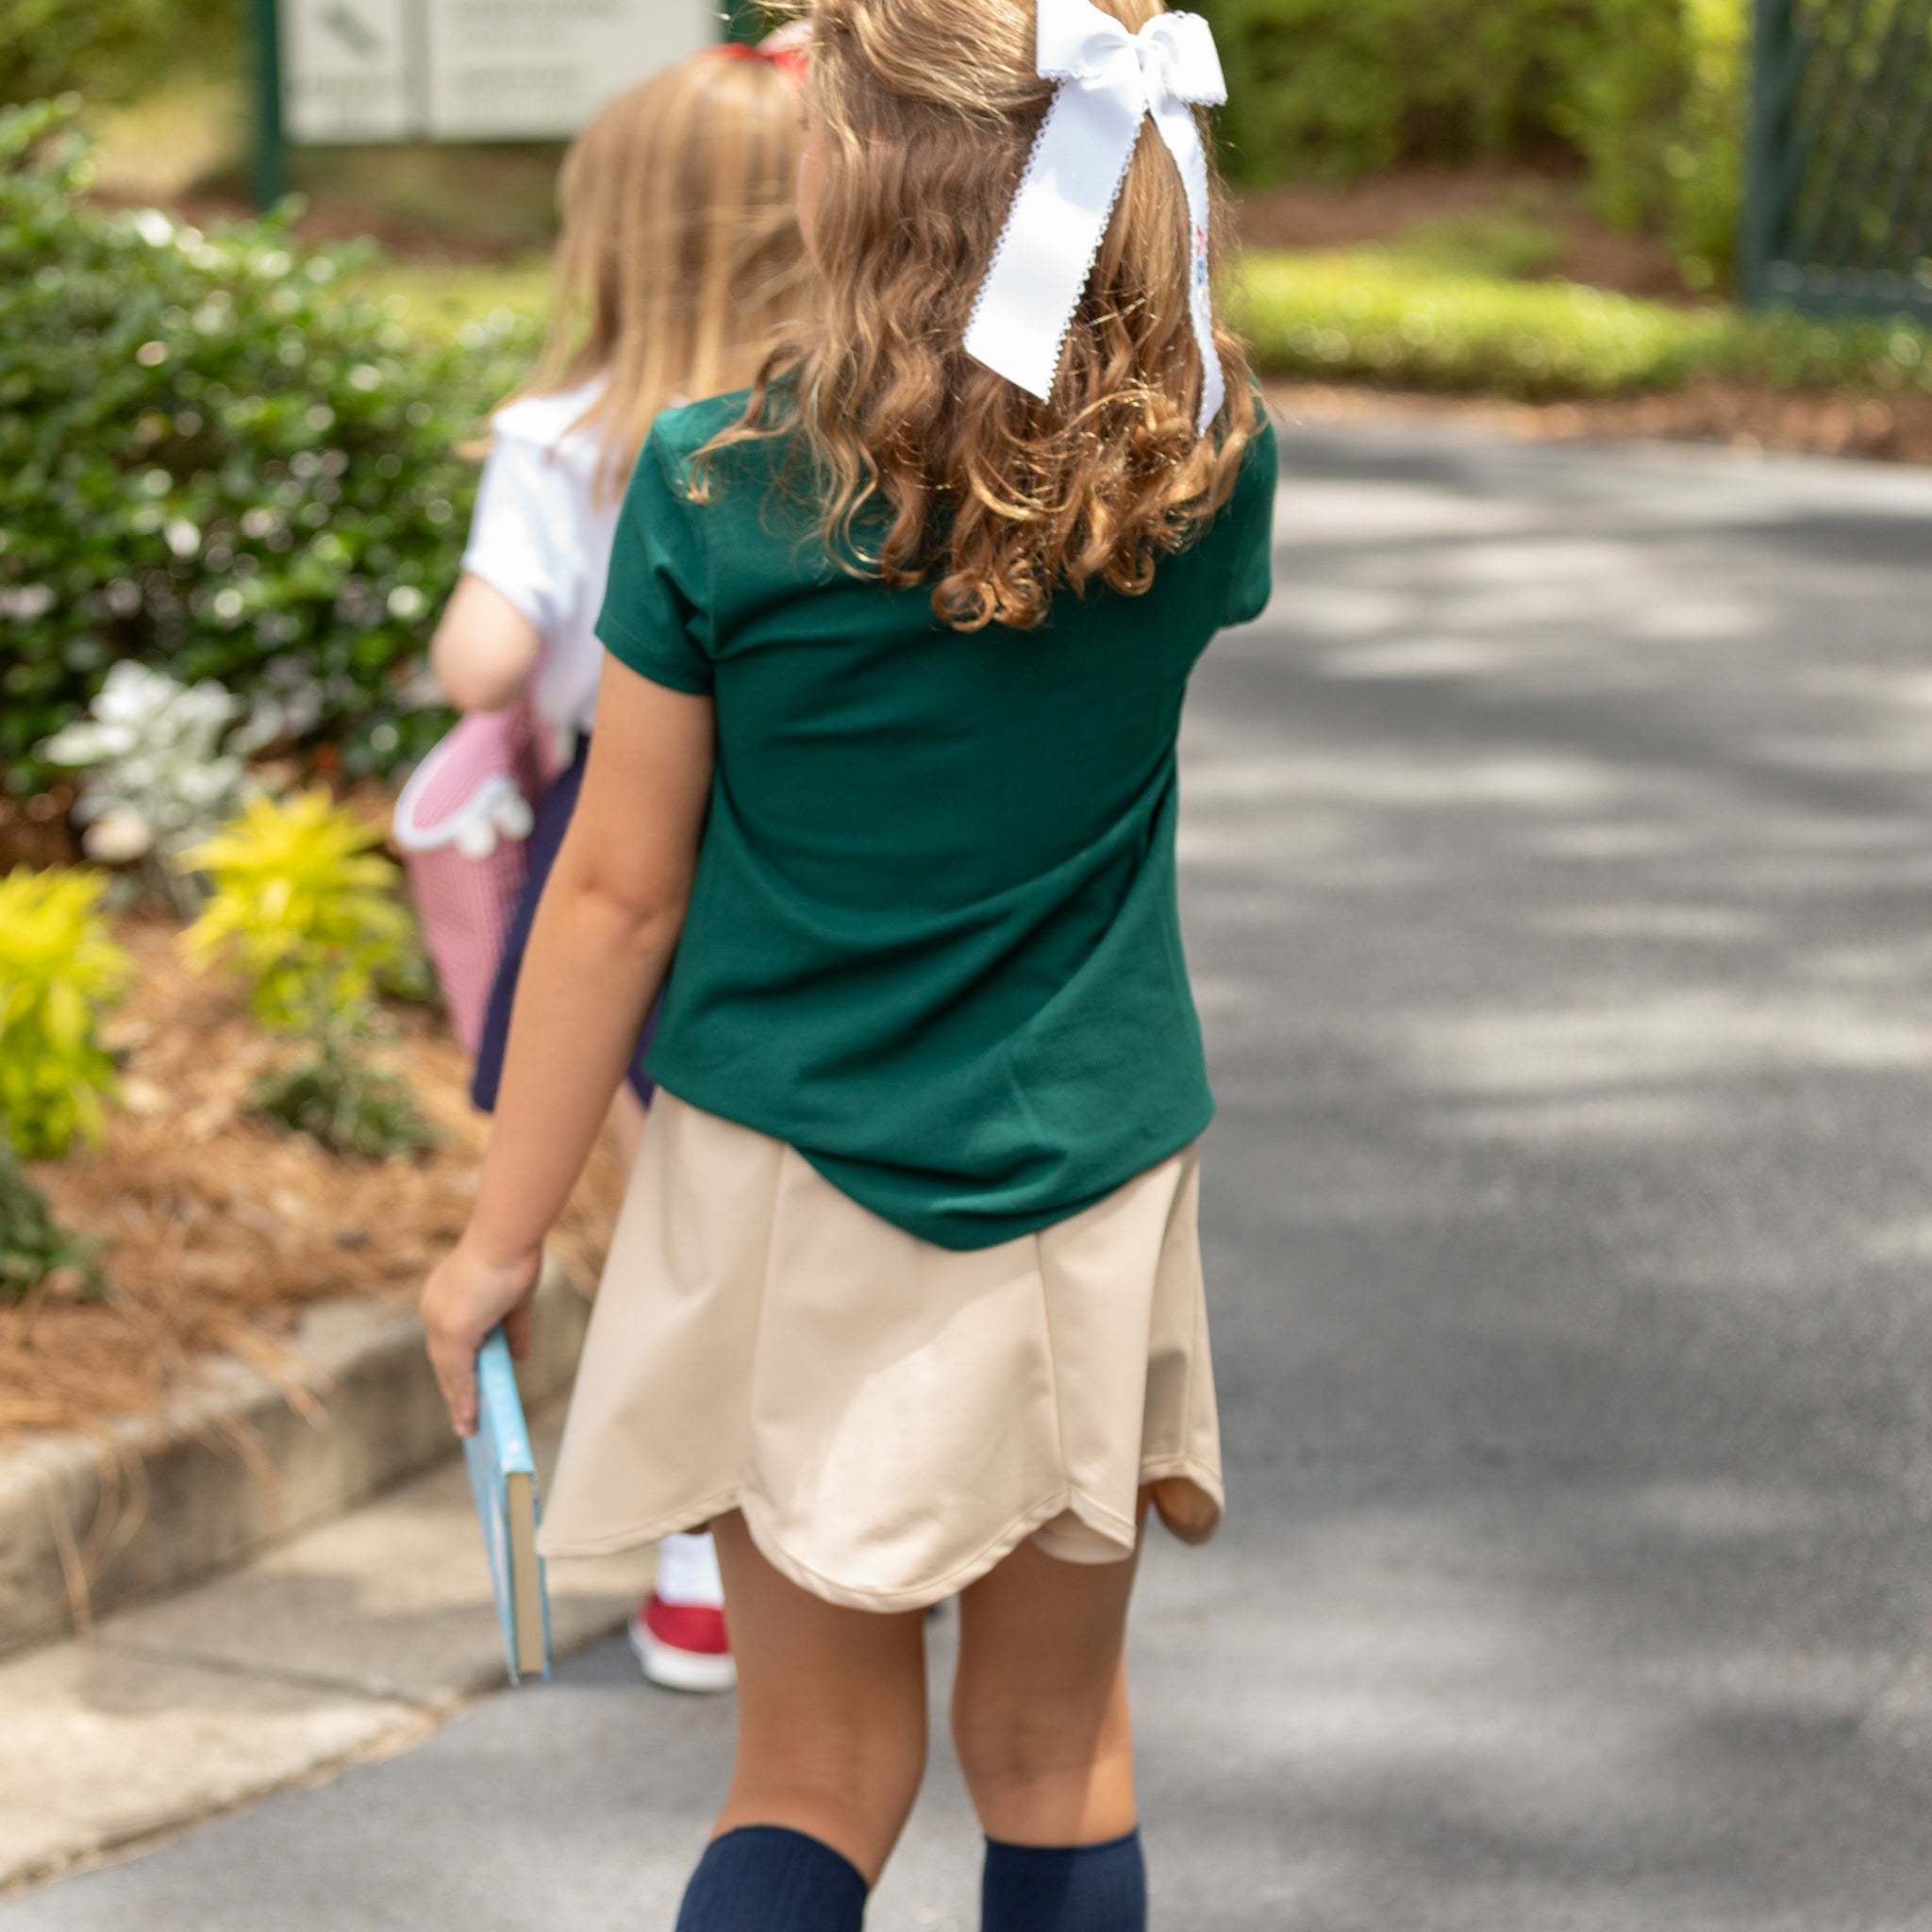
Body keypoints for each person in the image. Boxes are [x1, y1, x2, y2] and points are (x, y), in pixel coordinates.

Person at [420, 0, 1275, 1924]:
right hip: (1084, 1171)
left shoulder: (718, 485)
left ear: (862, 178)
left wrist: (499, 1239)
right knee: (1058, 1755)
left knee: (811, 1766)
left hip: (779, 1173)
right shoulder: (1207, 472)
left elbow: (616, 897)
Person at [425, 40, 808, 1696]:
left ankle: (699, 1567)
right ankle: (830, 1515)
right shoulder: (822, 433)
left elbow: (479, 662)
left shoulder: (563, 432)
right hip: (795, 841)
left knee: (679, 1221)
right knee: (794, 1218)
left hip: (620, 837)